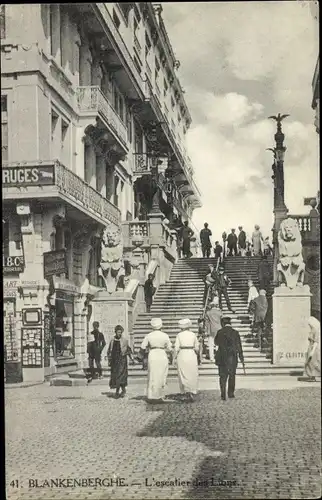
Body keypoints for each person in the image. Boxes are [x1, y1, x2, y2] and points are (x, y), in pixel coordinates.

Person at [140, 318, 172, 402]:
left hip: (153, 354)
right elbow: (169, 347)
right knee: (162, 375)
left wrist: (141, 357)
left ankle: (152, 395)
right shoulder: (165, 335)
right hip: (162, 354)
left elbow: (143, 346)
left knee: (153, 375)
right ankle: (161, 395)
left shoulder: (149, 335)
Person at [215, 316, 244, 400]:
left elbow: (216, 342)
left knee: (222, 376)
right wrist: (241, 356)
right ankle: (231, 393)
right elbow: (239, 345)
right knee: (232, 375)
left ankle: (223, 394)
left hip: (222, 357)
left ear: (223, 323)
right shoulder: (235, 332)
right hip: (232, 357)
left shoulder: (220, 332)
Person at [174, 318, 199, 402]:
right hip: (191, 353)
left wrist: (174, 357)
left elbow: (176, 347)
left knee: (182, 373)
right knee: (192, 372)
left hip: (182, 353)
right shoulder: (193, 334)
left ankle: (184, 391)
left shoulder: (179, 335)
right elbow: (197, 347)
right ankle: (191, 390)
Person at [107, 325, 134, 398]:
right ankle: (123, 389)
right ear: (115, 332)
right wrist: (109, 359)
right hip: (114, 361)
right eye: (118, 332)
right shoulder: (112, 340)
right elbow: (109, 350)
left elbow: (128, 350)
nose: (119, 333)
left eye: (120, 332)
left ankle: (117, 392)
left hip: (122, 360)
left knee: (120, 376)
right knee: (116, 376)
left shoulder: (124, 340)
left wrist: (131, 358)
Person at [204, 298, 222, 362]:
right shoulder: (219, 313)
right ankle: (218, 356)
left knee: (211, 344)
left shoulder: (208, 313)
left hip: (211, 329)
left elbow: (206, 323)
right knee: (218, 344)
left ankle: (212, 357)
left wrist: (207, 330)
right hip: (219, 329)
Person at [304, 317, 320, 381]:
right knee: (310, 363)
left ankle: (313, 376)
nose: (308, 324)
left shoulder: (315, 330)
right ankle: (311, 376)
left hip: (313, 348)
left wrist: (312, 351)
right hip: (310, 347)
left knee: (312, 363)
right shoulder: (312, 330)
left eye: (309, 323)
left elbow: (316, 341)